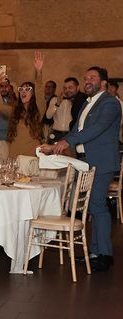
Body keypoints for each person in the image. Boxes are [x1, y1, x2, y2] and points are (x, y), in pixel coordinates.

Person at [41, 66, 121, 272]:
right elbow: (76, 129)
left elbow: (97, 128)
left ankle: (104, 254)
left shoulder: (110, 103)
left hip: (101, 162)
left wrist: (67, 142)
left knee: (97, 207)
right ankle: (95, 252)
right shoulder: (87, 103)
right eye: (86, 78)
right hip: (85, 161)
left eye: (92, 78)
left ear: (103, 82)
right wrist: (54, 145)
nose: (87, 81)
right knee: (92, 208)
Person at [0, 75, 43, 157]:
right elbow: (0, 106)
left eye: (27, 89)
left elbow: (39, 92)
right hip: (15, 153)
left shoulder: (39, 110)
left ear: (33, 93)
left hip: (31, 154)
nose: (23, 91)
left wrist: (38, 72)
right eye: (21, 89)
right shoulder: (15, 111)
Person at [45, 77, 84, 143]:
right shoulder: (54, 99)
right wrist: (57, 104)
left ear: (77, 88)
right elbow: (48, 116)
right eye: (65, 88)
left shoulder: (80, 101)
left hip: (70, 135)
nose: (67, 90)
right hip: (55, 134)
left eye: (70, 87)